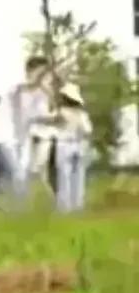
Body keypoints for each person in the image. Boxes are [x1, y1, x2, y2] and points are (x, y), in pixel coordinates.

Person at [0, 58, 50, 202]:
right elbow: (19, 96)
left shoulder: (41, 96)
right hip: (0, 139)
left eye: (44, 73)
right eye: (40, 73)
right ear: (29, 72)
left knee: (2, 185)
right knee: (17, 177)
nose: (42, 77)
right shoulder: (16, 89)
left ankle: (0, 216)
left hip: (17, 143)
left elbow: (42, 118)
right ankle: (21, 215)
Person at [52, 81, 93, 214]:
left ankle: (65, 207)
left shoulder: (60, 113)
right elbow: (88, 131)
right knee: (79, 176)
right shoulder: (81, 114)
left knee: (64, 176)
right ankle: (77, 205)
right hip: (79, 144)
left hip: (64, 144)